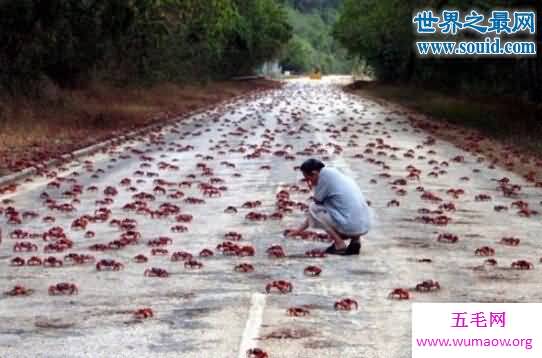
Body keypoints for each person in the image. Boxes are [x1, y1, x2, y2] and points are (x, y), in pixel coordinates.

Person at [286, 159, 371, 255]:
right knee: (343, 207)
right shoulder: (335, 173)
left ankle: (339, 244)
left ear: (314, 173)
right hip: (364, 225)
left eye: (308, 178)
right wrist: (298, 231)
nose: (309, 182)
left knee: (314, 208)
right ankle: (356, 241)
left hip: (350, 226)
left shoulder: (324, 178)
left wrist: (298, 231)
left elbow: (315, 207)